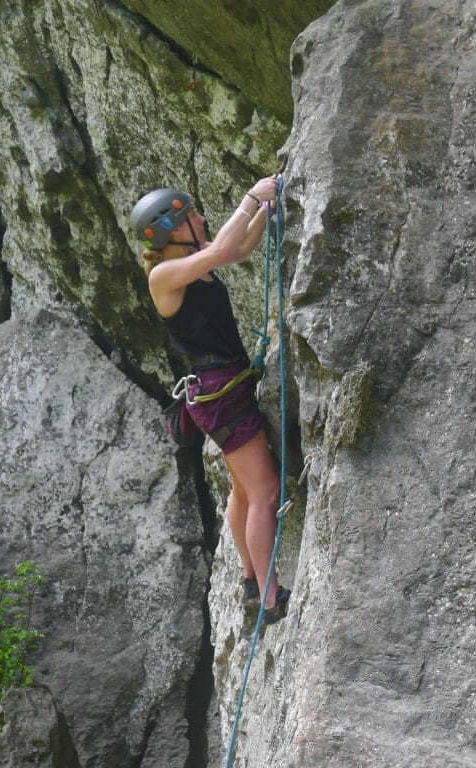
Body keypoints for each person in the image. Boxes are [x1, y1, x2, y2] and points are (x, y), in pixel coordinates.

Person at [129, 176, 290, 623]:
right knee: (266, 491)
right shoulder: (162, 276)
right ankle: (270, 597)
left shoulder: (192, 263)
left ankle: (249, 579)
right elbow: (221, 250)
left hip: (223, 387)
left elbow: (235, 251)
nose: (201, 218)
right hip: (220, 392)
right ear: (172, 229)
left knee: (243, 490)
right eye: (192, 215)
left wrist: (263, 215)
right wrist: (252, 197)